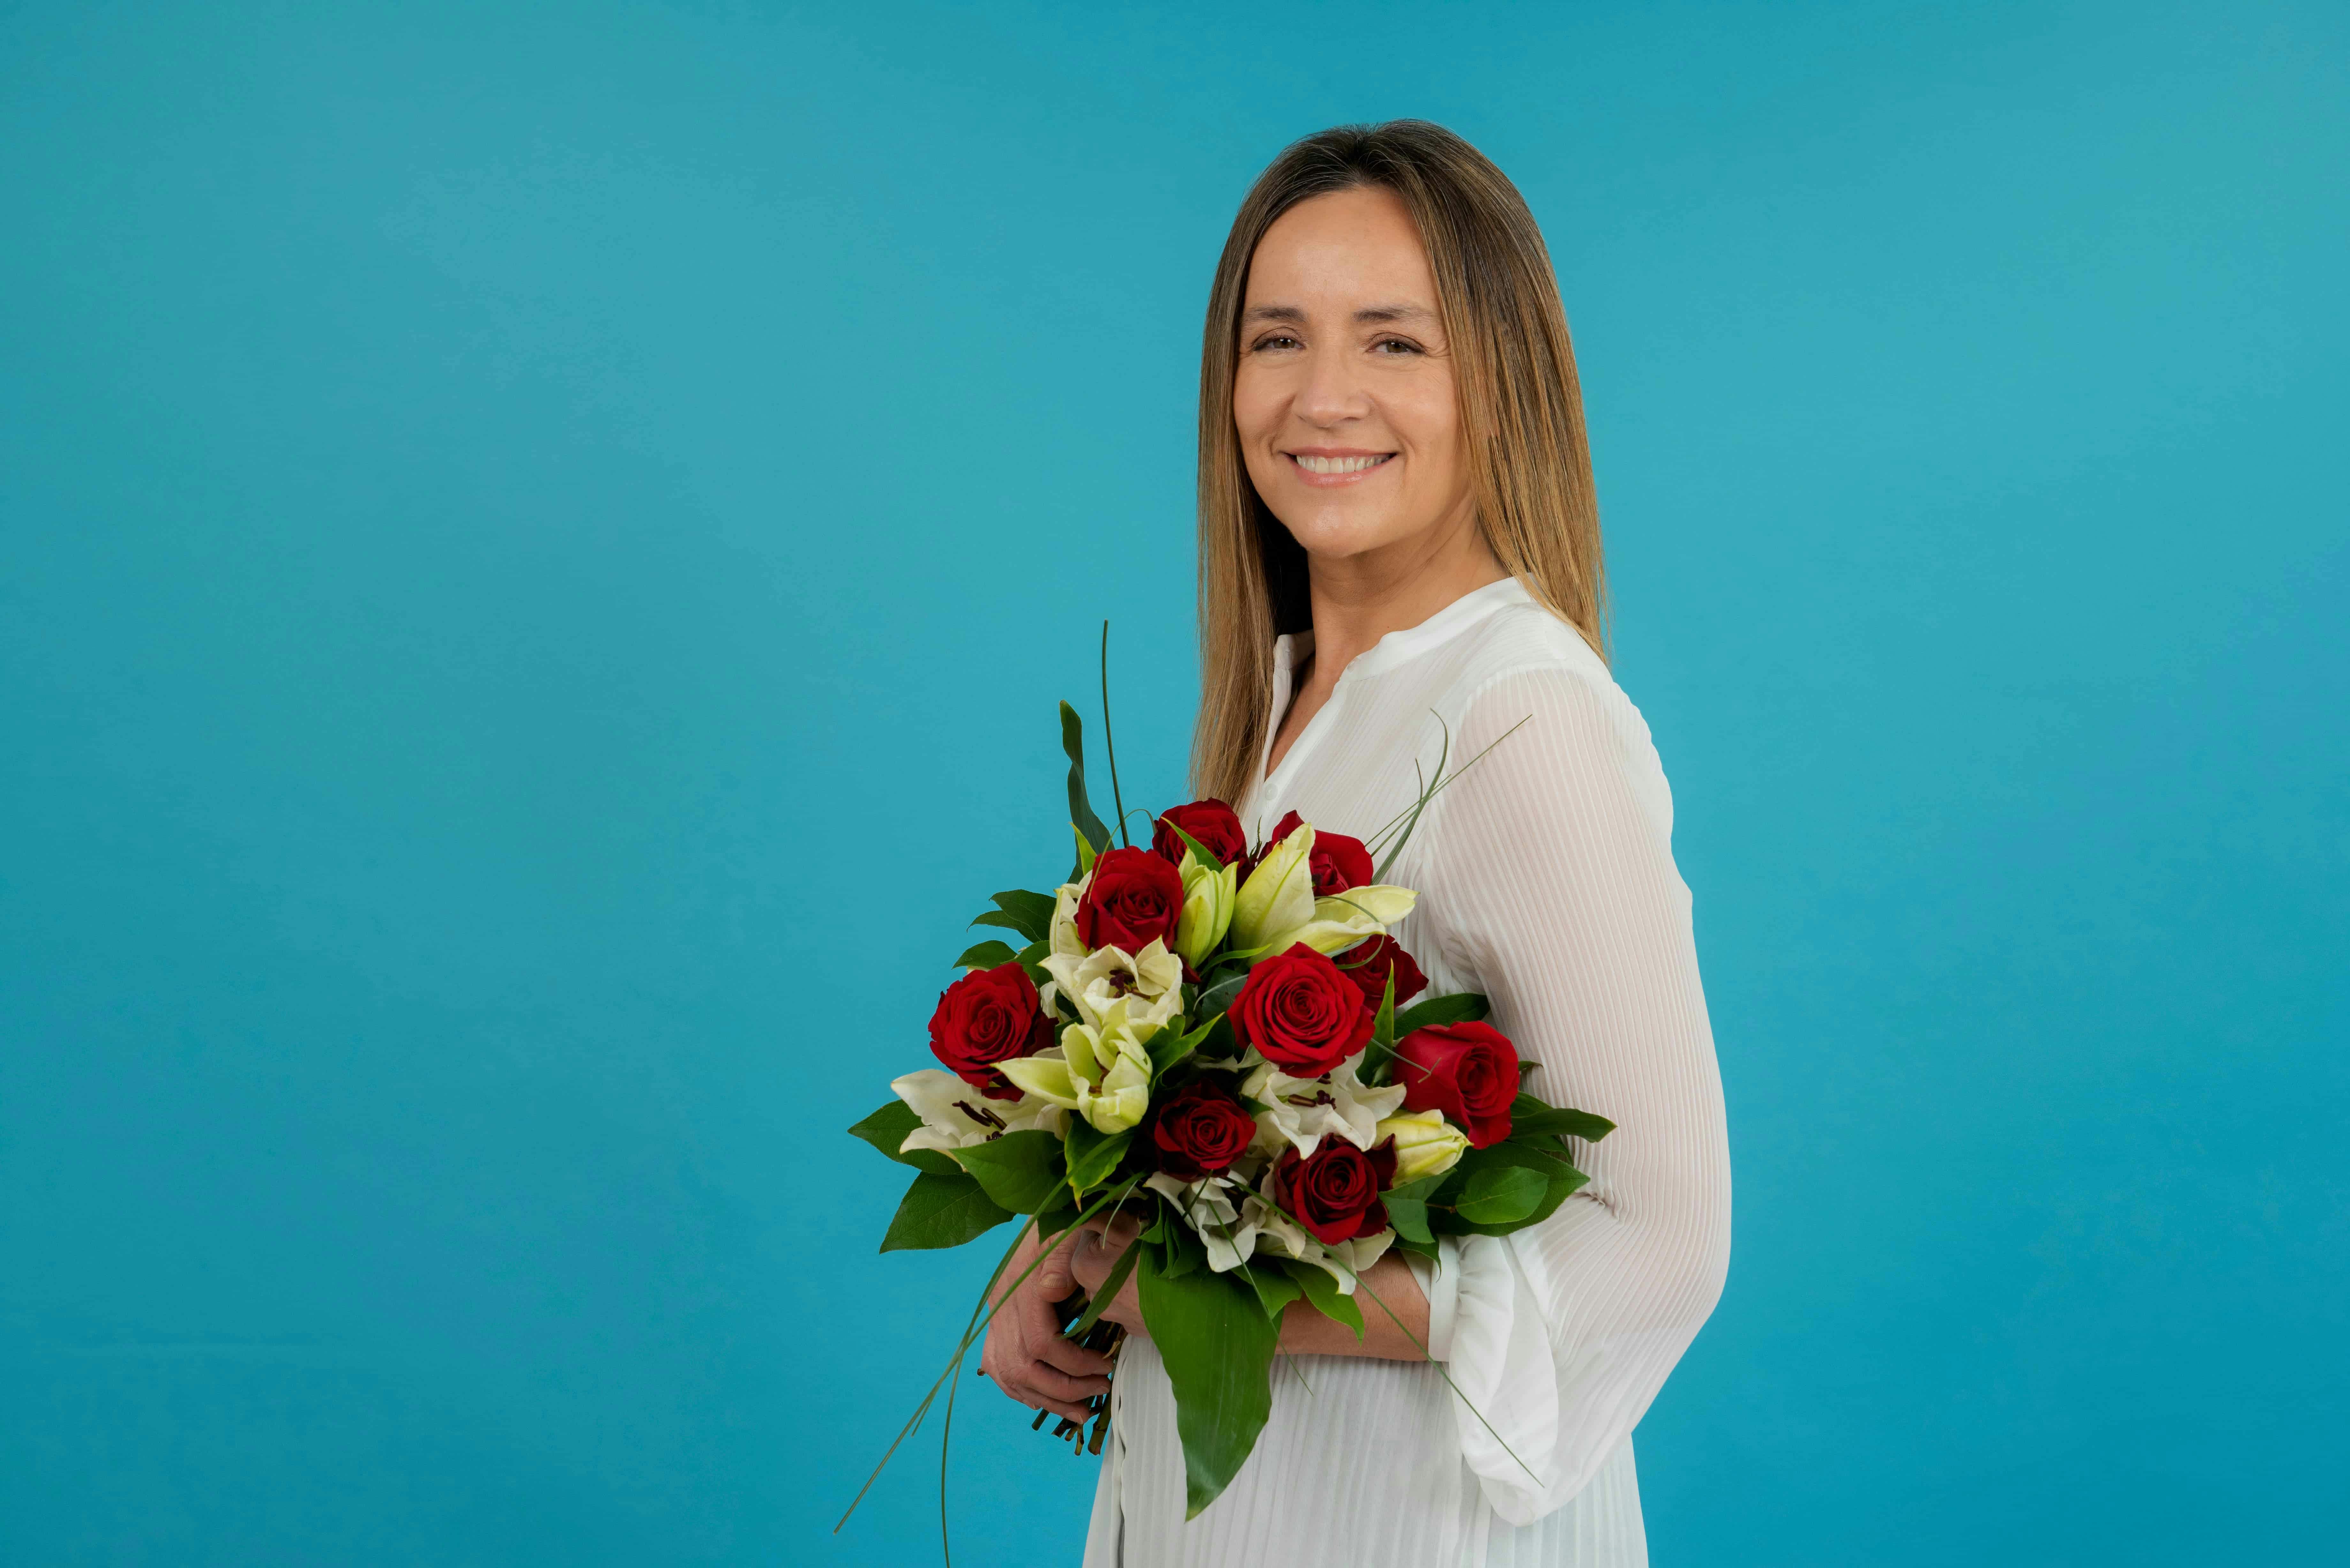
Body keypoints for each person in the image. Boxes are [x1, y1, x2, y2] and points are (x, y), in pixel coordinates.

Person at [980, 119, 1732, 1567]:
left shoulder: (1519, 715)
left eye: (1394, 343)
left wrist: (1179, 1282)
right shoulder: (1289, 701)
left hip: (1405, 1525)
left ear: (1498, 379)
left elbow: (1660, 1234)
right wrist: (1069, 1238)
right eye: (1277, 340)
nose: (1322, 397)